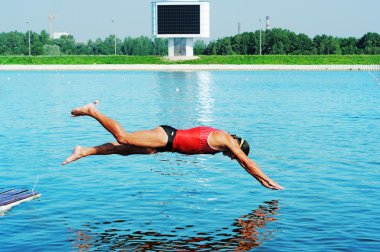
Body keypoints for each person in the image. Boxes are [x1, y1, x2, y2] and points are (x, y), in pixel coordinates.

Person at [62, 101, 284, 191]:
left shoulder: (223, 143)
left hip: (165, 146)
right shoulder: (225, 139)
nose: (231, 158)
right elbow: (247, 163)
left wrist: (262, 181)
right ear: (237, 146)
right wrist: (267, 180)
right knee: (123, 138)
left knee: (122, 151)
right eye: (234, 156)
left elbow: (244, 165)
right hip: (166, 137)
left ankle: (83, 151)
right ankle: (92, 111)